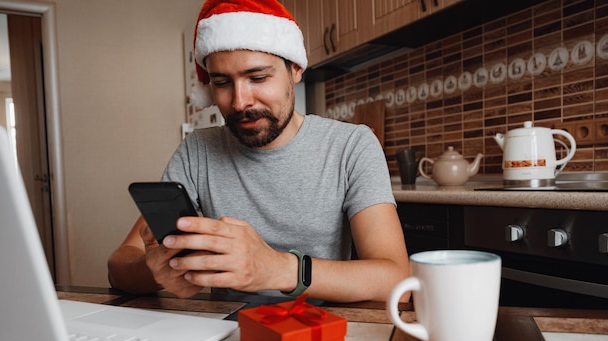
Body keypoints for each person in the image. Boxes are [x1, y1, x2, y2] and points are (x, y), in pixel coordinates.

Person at [108, 0, 410, 303]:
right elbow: (120, 264)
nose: (239, 102)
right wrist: (157, 270)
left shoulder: (351, 146)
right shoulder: (198, 151)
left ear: (295, 69)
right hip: (224, 332)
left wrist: (277, 268)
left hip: (318, 333)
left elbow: (396, 278)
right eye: (222, 83)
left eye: (258, 78)